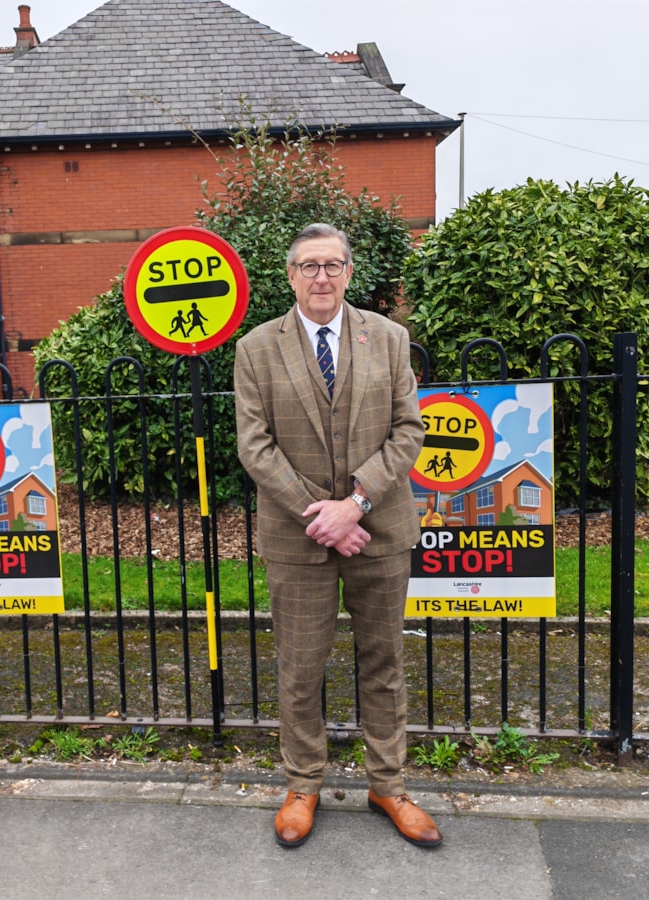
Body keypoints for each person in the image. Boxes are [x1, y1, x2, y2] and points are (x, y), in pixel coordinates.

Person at [234, 223, 441, 850]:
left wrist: (354, 505)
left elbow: (408, 432)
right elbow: (255, 444)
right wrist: (318, 513)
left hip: (377, 530)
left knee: (385, 665)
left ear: (350, 273)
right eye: (308, 266)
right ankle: (303, 785)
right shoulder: (255, 348)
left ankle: (389, 783)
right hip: (298, 540)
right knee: (300, 669)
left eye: (332, 265)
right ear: (290, 276)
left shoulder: (389, 338)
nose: (321, 276)